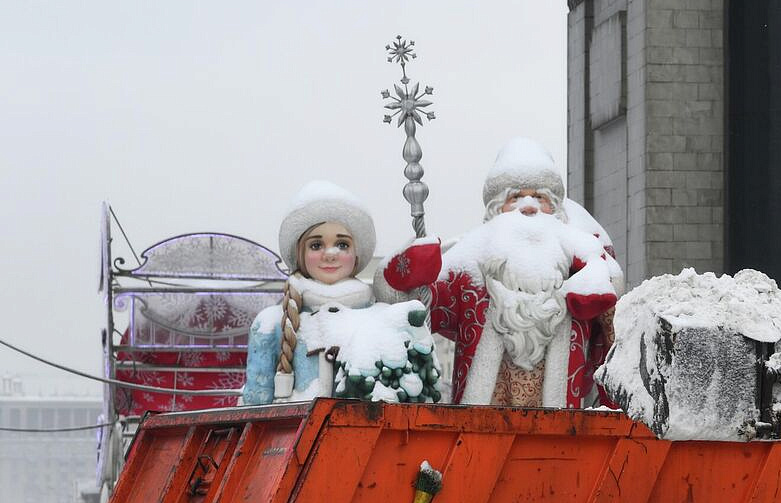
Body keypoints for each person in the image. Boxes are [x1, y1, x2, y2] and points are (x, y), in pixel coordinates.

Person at [384, 139, 624, 408]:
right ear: (497, 208)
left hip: (564, 429)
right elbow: (421, 308)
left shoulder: (576, 262)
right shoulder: (470, 261)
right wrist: (410, 273)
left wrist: (600, 284)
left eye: (540, 197)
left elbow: (614, 330)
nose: (529, 206)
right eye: (515, 197)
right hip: (480, 429)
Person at [240, 182, 440, 405]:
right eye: (316, 245)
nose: (330, 254)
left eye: (342, 244)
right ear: (300, 253)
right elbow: (255, 405)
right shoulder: (271, 323)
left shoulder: (382, 318)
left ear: (356, 254)